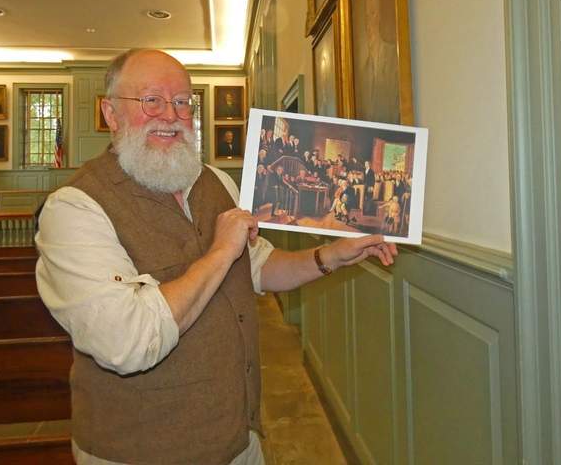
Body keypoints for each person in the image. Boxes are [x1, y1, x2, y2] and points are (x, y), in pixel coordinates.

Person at [35, 49, 397, 465]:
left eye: (183, 101)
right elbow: (127, 343)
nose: (170, 115)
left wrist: (330, 255)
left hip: (239, 438)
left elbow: (258, 266)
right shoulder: (74, 208)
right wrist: (222, 249)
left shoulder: (216, 181)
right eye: (151, 100)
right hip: (140, 452)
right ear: (111, 113)